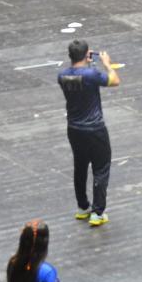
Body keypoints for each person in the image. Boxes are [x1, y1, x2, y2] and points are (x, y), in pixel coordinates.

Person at [58, 39, 119, 227]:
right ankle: (98, 212)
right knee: (101, 168)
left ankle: (83, 207)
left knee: (80, 166)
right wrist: (107, 64)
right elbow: (114, 81)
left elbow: (79, 78)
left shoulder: (62, 76)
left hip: (74, 129)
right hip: (95, 129)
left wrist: (86, 62)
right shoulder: (91, 74)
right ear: (87, 55)